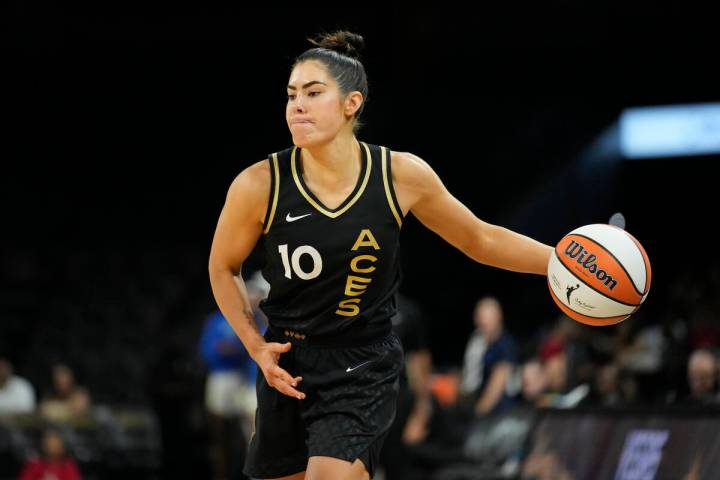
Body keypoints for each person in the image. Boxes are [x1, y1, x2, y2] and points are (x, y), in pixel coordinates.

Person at [208, 30, 553, 480]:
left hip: (361, 361)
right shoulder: (259, 184)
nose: (297, 105)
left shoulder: (399, 174)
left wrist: (558, 261)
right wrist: (255, 346)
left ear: (352, 103)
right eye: (292, 95)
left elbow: (480, 239)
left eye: (314, 93)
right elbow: (222, 266)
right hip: (288, 360)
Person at [200, 271, 269, 480]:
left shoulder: (263, 322)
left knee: (258, 441)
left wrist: (233, 349)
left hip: (255, 385)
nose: (253, 298)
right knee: (233, 438)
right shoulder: (223, 320)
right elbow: (208, 351)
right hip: (239, 383)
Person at [17, 428, 82, 480]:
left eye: (55, 444)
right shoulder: (33, 465)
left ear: (62, 446)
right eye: (48, 442)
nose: (51, 446)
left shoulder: (69, 466)